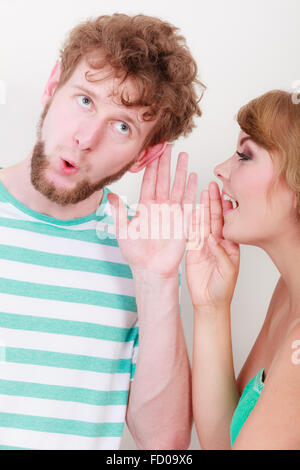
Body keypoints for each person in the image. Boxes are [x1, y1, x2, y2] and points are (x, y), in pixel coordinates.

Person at [0, 13, 204, 450]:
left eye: (122, 125)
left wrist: (157, 281)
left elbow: (164, 450)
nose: (86, 138)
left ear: (145, 156)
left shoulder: (143, 248)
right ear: (53, 85)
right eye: (86, 100)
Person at [187, 89, 300, 449]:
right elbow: (224, 440)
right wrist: (211, 308)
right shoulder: (288, 291)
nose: (221, 169)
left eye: (245, 155)